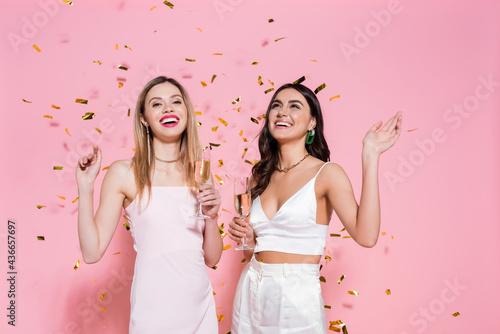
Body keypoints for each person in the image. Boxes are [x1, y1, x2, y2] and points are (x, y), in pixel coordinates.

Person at [228, 83, 402, 333]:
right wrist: (248, 237)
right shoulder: (258, 176)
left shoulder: (327, 173)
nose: (281, 112)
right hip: (251, 290)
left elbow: (366, 236)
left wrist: (370, 155)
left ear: (312, 123)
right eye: (276, 105)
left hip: (296, 295)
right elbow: (250, 252)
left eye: (294, 106)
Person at [76, 76, 222, 333]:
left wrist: (212, 217)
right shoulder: (124, 172)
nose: (168, 108)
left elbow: (212, 258)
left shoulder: (200, 172)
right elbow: (91, 252)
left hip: (200, 309)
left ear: (186, 111)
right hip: (153, 310)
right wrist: (86, 187)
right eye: (157, 104)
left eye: (176, 101)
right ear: (143, 118)